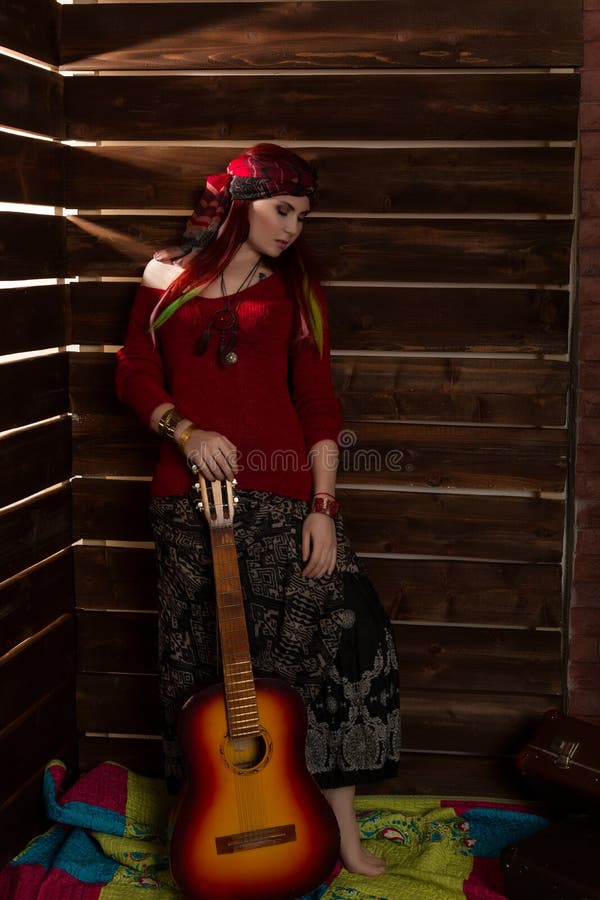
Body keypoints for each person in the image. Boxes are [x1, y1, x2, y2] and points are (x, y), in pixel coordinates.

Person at [115, 143, 400, 877]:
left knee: (338, 649)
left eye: (303, 215)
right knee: (197, 674)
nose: (293, 227)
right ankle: (200, 833)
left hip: (285, 498)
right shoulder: (164, 275)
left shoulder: (297, 289)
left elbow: (317, 402)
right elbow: (135, 372)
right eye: (282, 209)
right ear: (242, 203)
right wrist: (184, 429)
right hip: (187, 504)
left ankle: (339, 832)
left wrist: (325, 508)